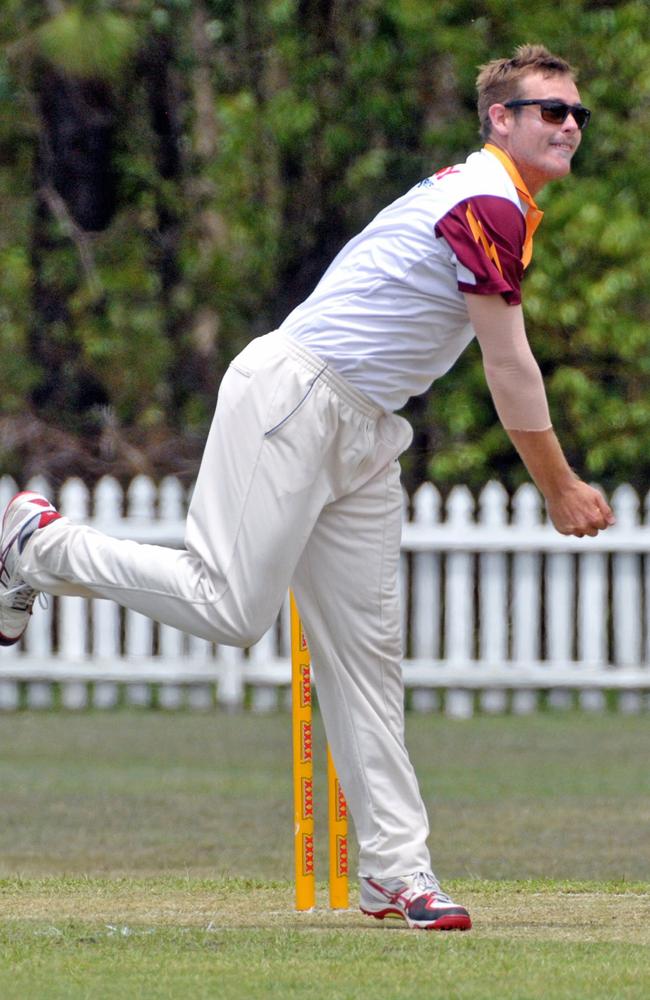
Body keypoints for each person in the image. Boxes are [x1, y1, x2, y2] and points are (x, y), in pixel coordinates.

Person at [0, 44, 614, 931]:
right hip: (299, 393)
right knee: (229, 608)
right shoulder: (483, 197)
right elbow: (508, 365)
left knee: (367, 659)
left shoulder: (501, 203)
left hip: (365, 428)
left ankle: (395, 875)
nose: (568, 126)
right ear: (499, 120)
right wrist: (557, 485)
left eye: (576, 115)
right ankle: (37, 542)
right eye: (549, 110)